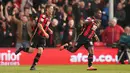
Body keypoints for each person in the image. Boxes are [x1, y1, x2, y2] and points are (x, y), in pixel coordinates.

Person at [15, 4, 54, 70]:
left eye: (52, 9)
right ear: (47, 9)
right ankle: (22, 48)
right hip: (37, 35)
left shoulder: (50, 17)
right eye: (51, 9)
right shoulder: (43, 15)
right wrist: (45, 32)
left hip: (43, 37)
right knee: (31, 51)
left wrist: (49, 30)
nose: (52, 10)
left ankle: (33, 66)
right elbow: (39, 25)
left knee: (40, 51)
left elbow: (45, 25)